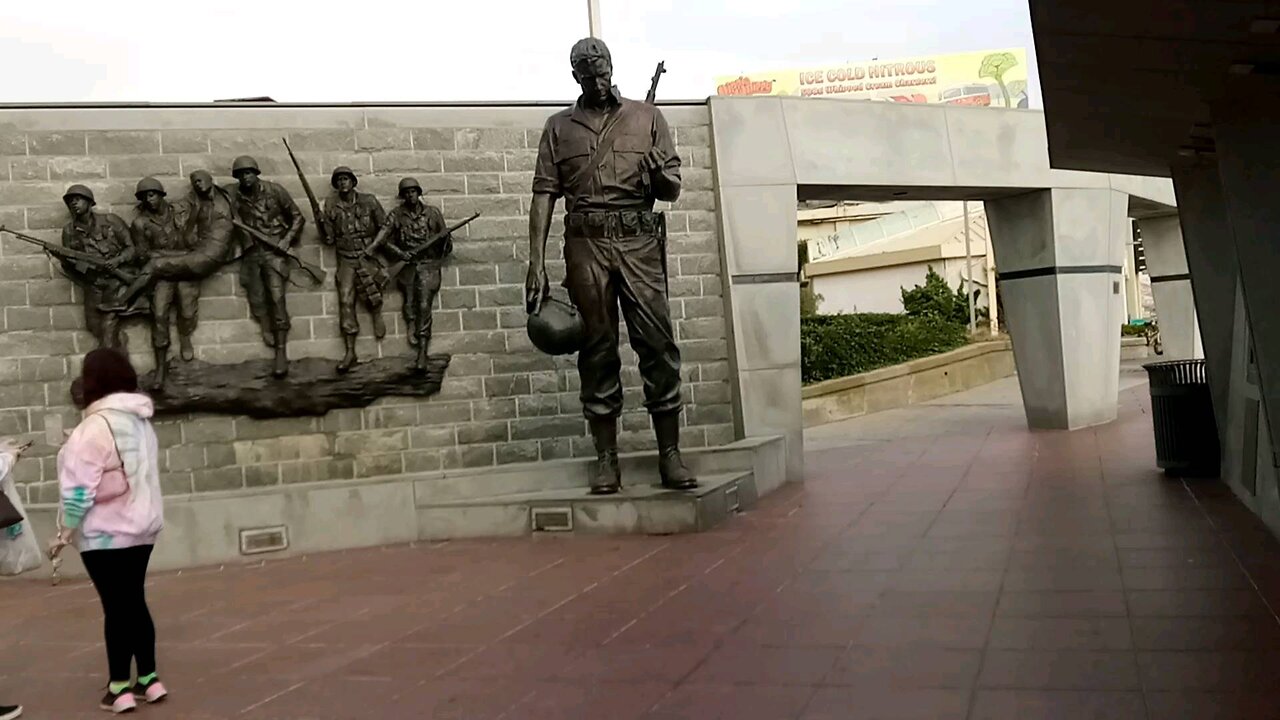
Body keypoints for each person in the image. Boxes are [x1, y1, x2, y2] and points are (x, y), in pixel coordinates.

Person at [524, 37, 695, 494]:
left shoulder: (647, 117)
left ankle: (670, 455)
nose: (599, 81)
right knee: (597, 351)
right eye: (589, 74)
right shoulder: (559, 127)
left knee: (657, 343)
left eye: (604, 72)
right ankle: (606, 459)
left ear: (613, 68)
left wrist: (660, 177)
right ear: (576, 75)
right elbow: (544, 194)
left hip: (638, 242)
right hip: (585, 246)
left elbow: (672, 189)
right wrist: (535, 262)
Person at [51, 348, 167, 714]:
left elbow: (79, 492)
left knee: (116, 608)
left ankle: (119, 687)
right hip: (142, 528)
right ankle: (148, 679)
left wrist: (64, 533)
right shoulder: (140, 422)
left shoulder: (91, 429)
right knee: (134, 602)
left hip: (105, 534)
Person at [226, 155, 304, 378]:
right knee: (257, 298)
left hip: (274, 253)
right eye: (241, 174)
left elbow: (297, 217)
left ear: (256, 173)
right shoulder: (234, 196)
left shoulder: (275, 191)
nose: (245, 177)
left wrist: (286, 241)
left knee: (277, 298)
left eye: (249, 172)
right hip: (252, 254)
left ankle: (281, 351)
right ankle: (265, 325)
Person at [367, 177, 452, 372]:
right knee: (409, 304)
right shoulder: (396, 215)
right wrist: (401, 254)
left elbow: (447, 247)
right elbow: (383, 239)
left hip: (428, 266)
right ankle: (412, 325)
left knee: (424, 306)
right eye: (406, 193)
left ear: (418, 192)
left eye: (413, 191)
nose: (410, 195)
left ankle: (422, 352)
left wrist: (443, 240)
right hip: (407, 266)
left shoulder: (433, 213)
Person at [60, 185, 146, 350]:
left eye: (78, 200)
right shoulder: (69, 231)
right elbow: (69, 266)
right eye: (70, 201)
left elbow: (132, 248)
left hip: (117, 282)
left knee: (107, 328)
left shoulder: (111, 221)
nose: (74, 204)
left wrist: (117, 261)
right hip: (94, 285)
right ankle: (119, 352)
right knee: (94, 326)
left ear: (89, 202)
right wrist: (86, 268)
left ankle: (114, 367)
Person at [131, 177, 198, 387]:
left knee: (187, 311)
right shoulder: (140, 223)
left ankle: (185, 337)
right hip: (161, 275)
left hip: (185, 269)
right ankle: (161, 367)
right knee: (159, 315)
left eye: (152, 195)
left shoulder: (180, 213)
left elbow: (195, 241)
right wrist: (166, 257)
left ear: (161, 195)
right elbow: (143, 256)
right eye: (144, 197)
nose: (149, 200)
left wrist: (165, 255)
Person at [321, 166, 388, 373]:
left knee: (373, 288)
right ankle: (350, 351)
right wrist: (322, 223)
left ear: (353, 182)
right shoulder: (331, 205)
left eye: (346, 179)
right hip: (346, 258)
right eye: (339, 180)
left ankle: (376, 312)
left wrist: (372, 248)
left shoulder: (369, 201)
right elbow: (329, 239)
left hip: (366, 254)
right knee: (345, 300)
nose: (343, 183)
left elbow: (385, 227)